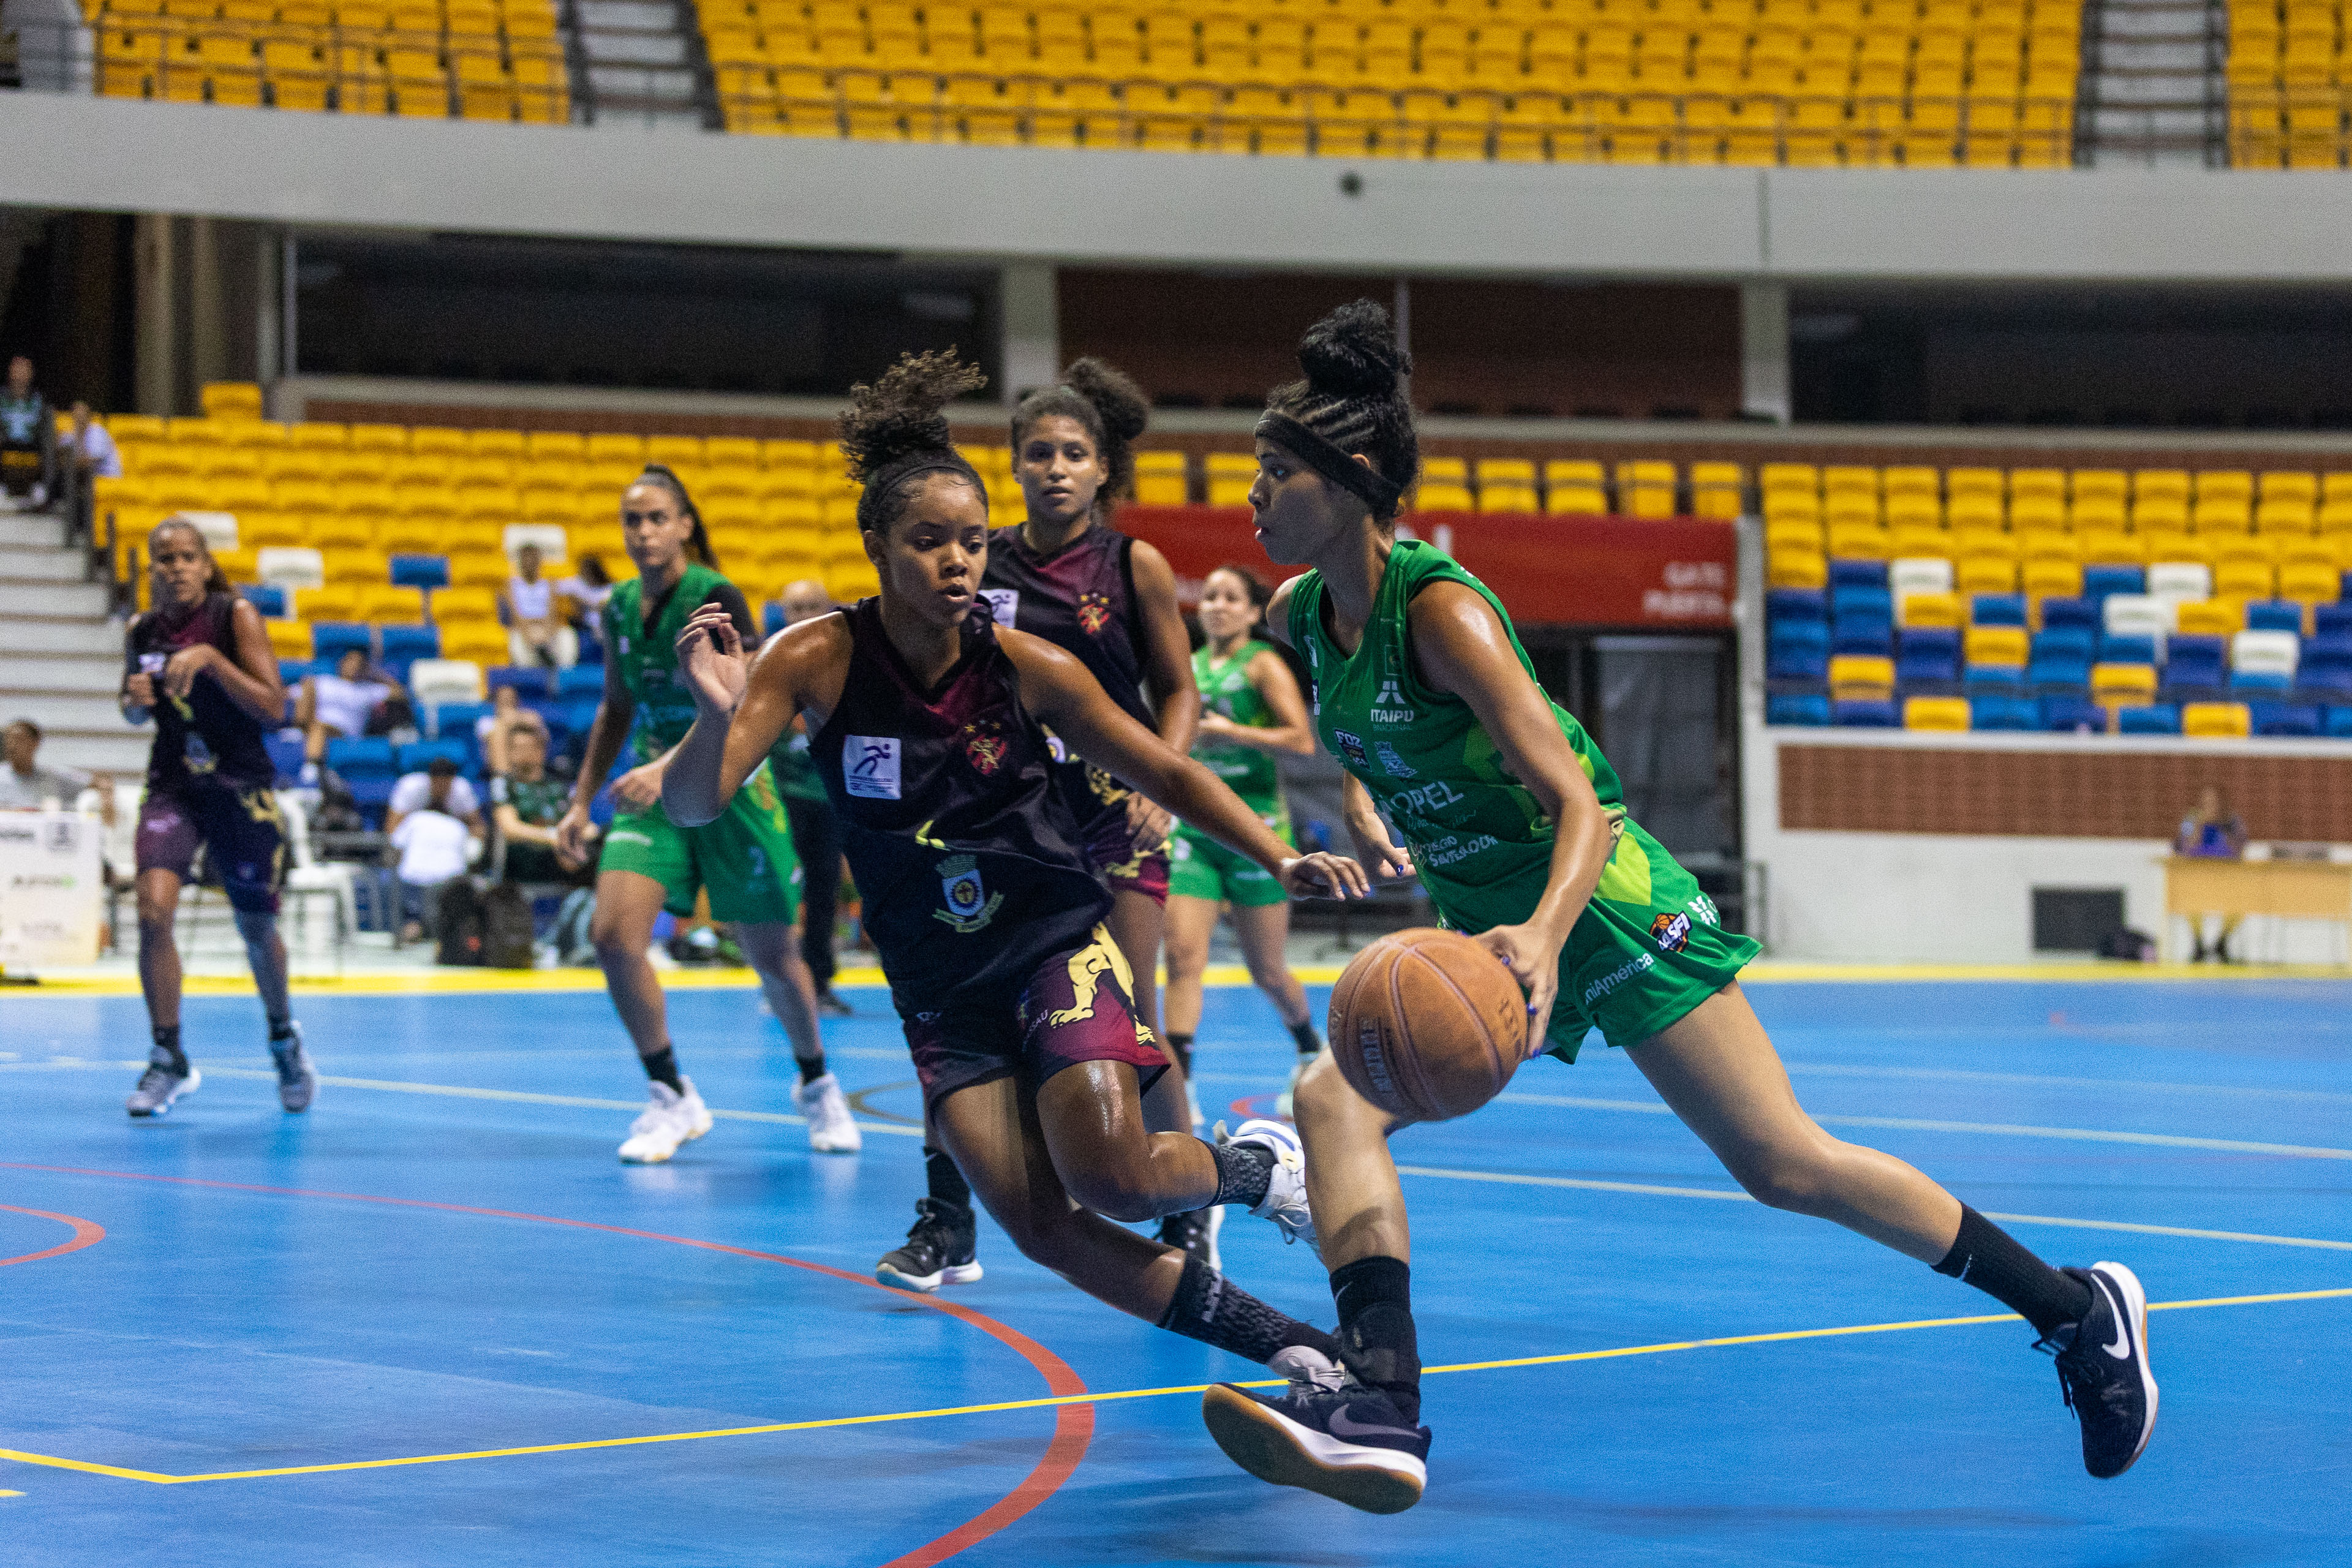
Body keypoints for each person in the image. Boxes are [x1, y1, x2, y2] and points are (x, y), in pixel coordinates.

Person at [1202, 302, 2157, 1511]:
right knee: (1330, 1090)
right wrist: (1342, 829)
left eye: (1275, 473)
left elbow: (1578, 800)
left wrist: (1539, 941)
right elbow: (1354, 735)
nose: (1254, 497)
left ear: (1348, 484)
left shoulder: (1443, 613)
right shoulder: (1298, 617)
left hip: (1591, 898)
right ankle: (1379, 1397)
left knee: (1783, 1160)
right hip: (1483, 921)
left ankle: (2076, 1309)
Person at [662, 349, 1370, 1375]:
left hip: (1050, 947)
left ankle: (1251, 1169)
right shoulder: (813, 659)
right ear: (876, 545)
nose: (957, 562)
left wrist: (1279, 852)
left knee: (1119, 1179)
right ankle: (1301, 1350)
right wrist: (709, 719)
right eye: (928, 541)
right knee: (1044, 1227)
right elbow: (698, 799)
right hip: (940, 993)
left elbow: (1169, 773)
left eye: (969, 543)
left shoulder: (1028, 665)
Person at [913, 355, 1215, 1279]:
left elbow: (1180, 691)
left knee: (1136, 1016)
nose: (1054, 467)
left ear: (1100, 471)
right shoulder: (981, 561)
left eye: (1073, 453)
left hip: (1117, 819)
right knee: (965, 1012)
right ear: (1013, 464)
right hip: (1011, 823)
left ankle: (1193, 1201)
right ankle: (946, 1224)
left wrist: (1162, 786)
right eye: (1037, 451)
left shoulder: (1135, 565)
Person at [551, 464, 853, 1163]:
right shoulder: (617, 606)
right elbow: (615, 707)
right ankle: (670, 1095)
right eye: (633, 519)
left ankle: (815, 1082)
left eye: (657, 517)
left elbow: (743, 700)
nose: (644, 530)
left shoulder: (715, 596)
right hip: (652, 797)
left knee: (774, 959)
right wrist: (579, 799)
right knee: (612, 936)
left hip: (731, 785)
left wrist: (663, 769)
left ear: (685, 524)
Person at [117, 518, 315, 1118]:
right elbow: (131, 711)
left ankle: (283, 1036)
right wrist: (132, 701)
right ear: (152, 568)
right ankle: (168, 1056)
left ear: (205, 566)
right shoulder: (142, 629)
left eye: (186, 557)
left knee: (255, 928)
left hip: (239, 784)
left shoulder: (235, 618)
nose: (175, 566)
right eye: (164, 558)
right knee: (153, 911)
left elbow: (275, 707)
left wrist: (209, 660)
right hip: (175, 782)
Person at [1161, 565, 1325, 1123]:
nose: (1218, 606)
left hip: (1257, 833)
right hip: (1197, 831)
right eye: (1209, 596)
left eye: (1231, 597)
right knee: (1183, 958)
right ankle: (1178, 1084)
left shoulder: (1263, 664)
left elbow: (1302, 739)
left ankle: (1309, 1047)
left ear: (1255, 613)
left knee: (1268, 971)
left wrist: (1232, 733)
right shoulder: (1187, 667)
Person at [770, 578, 852, 1016]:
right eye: (795, 607)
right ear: (783, 613)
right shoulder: (768, 665)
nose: (803, 615)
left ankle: (818, 982)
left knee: (824, 891)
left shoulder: (849, 662)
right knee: (781, 892)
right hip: (783, 800)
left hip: (831, 798)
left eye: (812, 606)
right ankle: (780, 982)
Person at [388, 757, 481, 946]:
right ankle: (415, 926)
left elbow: (479, 828)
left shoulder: (461, 791)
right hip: (417, 871)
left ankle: (437, 930)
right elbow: (392, 830)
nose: (443, 788)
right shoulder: (411, 788)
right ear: (430, 779)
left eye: (447, 783)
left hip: (449, 873)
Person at [493, 721, 594, 886]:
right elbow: (510, 829)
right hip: (524, 865)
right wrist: (555, 838)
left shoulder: (560, 783)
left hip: (565, 865)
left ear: (541, 750)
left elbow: (587, 827)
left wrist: (578, 835)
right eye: (516, 748)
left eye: (527, 747)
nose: (521, 753)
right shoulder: (505, 784)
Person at [2174, 783, 2248, 962]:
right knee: (2190, 903)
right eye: (2206, 801)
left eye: (2214, 801)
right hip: (2198, 876)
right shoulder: (2190, 820)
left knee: (2243, 903)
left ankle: (2221, 942)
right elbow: (2183, 848)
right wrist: (2200, 825)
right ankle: (2198, 943)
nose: (2210, 805)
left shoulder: (2233, 821)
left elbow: (2240, 849)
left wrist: (2222, 827)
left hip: (2226, 877)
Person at [296, 647, 402, 770]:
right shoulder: (323, 682)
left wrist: (375, 673)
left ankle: (312, 768)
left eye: (359, 664)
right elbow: (290, 694)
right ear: (342, 662)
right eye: (350, 661)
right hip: (312, 726)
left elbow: (400, 693)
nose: (354, 666)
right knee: (308, 685)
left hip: (346, 734)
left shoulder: (368, 690)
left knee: (319, 728)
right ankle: (303, 734)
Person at [503, 542, 579, 684]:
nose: (530, 563)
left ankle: (564, 677)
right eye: (526, 559)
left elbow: (552, 614)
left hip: (546, 629)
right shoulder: (511, 584)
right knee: (516, 640)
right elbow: (516, 615)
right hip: (523, 629)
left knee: (568, 635)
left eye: (533, 559)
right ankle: (531, 675)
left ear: (539, 561)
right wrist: (530, 635)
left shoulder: (549, 584)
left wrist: (548, 636)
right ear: (520, 562)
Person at [0, 355, 53, 507]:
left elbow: (45, 431)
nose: (21, 373)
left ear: (31, 374)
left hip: (33, 447)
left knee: (50, 442)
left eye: (25, 370)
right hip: (5, 445)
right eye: (17, 369)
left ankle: (42, 488)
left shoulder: (39, 400)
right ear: (10, 372)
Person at [0, 718, 88, 809]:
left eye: (19, 740)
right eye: (8, 740)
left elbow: (95, 784)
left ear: (35, 743)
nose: (12, 746)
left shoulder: (53, 776)